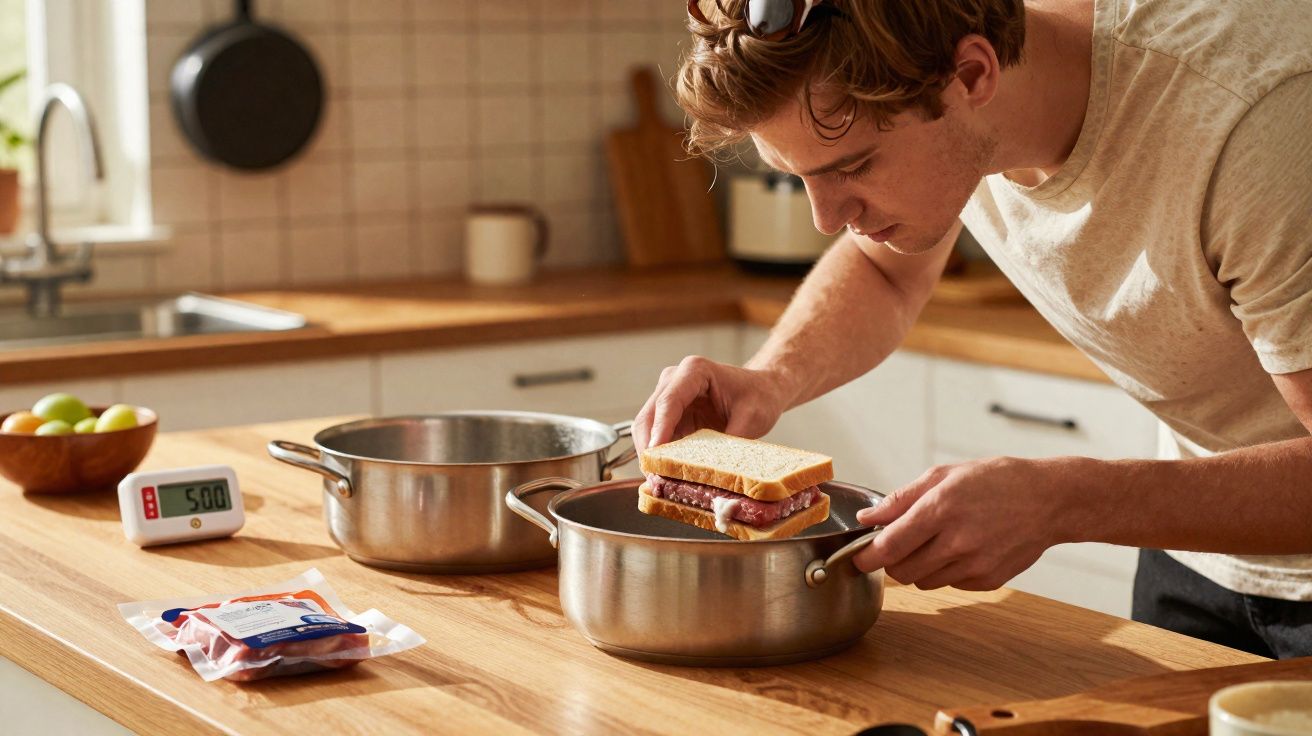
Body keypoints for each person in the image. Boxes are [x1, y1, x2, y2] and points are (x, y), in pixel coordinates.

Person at [632, 0, 1312, 658]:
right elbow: (885, 271)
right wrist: (769, 379)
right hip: (1199, 555)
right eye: (799, 174)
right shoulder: (964, 91)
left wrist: (1066, 500)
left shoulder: (1253, 126)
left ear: (972, 77)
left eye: (853, 166)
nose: (826, 218)